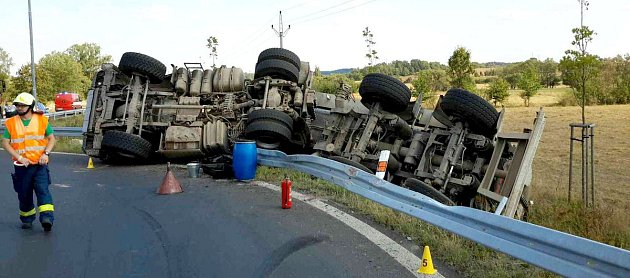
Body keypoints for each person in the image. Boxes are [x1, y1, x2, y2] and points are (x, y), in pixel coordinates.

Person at [1, 92, 56, 231]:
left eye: (22, 105)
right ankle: (27, 218)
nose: (19, 108)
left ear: (30, 106)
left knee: (43, 190)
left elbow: (51, 138)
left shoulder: (42, 120)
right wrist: (19, 157)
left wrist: (46, 153)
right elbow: (5, 143)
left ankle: (47, 218)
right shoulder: (11, 123)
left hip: (40, 165)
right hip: (21, 166)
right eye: (17, 105)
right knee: (24, 193)